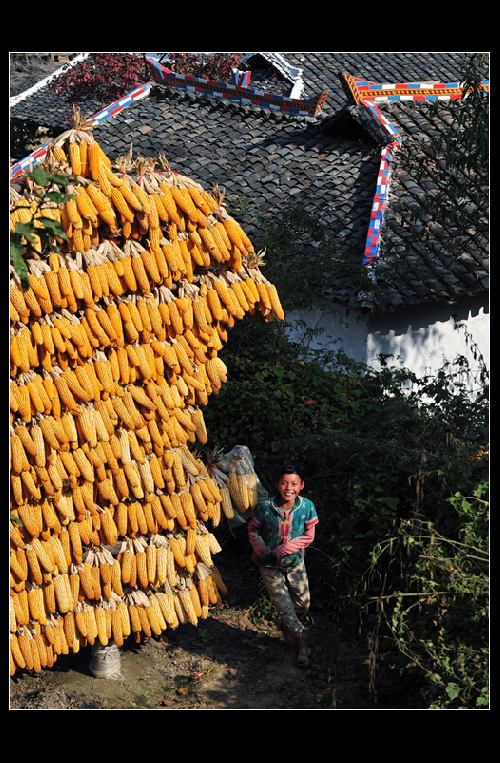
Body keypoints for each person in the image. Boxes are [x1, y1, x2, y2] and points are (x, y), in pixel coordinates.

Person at [247, 465, 318, 666]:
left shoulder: (306, 507)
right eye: (284, 483)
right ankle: (301, 644)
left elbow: (308, 536)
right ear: (278, 484)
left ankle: (289, 626)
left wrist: (283, 550)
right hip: (269, 566)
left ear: (301, 485)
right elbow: (253, 530)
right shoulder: (265, 507)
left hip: (295, 563)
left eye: (294, 484)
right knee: (284, 605)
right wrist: (261, 549)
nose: (289, 488)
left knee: (304, 603)